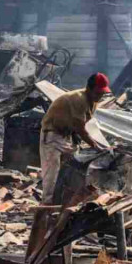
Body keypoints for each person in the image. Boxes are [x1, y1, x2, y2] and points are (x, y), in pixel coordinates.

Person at [39, 72, 111, 203]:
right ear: (89, 88)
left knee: (73, 169)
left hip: (66, 136)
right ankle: (46, 205)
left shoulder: (92, 101)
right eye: (98, 93)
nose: (100, 96)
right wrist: (95, 146)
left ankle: (66, 201)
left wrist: (76, 136)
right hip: (52, 135)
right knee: (51, 174)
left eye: (102, 94)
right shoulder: (79, 99)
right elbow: (80, 127)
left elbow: (76, 125)